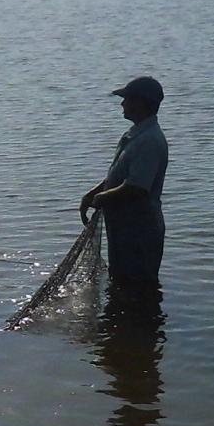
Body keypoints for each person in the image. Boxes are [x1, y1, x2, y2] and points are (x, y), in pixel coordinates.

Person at [80, 75, 168, 288]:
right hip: (124, 230)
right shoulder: (135, 135)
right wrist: (93, 193)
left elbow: (137, 188)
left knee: (137, 288)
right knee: (121, 283)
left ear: (140, 103)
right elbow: (118, 176)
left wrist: (102, 197)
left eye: (127, 99)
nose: (122, 104)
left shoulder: (149, 141)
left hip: (139, 233)